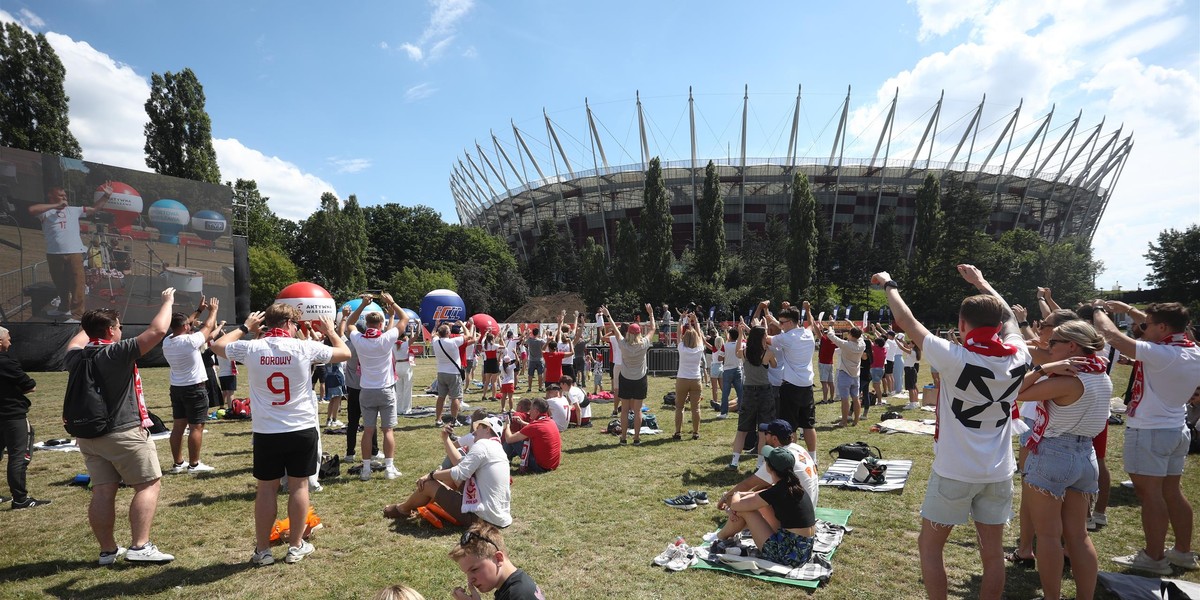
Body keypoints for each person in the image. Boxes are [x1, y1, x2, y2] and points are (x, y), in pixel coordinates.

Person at [877, 264, 1029, 600]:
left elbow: (906, 321)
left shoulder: (952, 357)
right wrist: (982, 282)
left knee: (930, 548)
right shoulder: (1019, 356)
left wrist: (890, 285)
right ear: (1000, 325)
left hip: (954, 472)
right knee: (992, 553)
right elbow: (1012, 321)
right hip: (998, 471)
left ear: (962, 325)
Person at [212, 304, 350, 566]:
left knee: (266, 489)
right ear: (289, 323)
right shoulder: (304, 347)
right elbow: (345, 353)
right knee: (299, 486)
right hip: (300, 427)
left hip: (267, 431)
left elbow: (217, 346)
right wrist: (332, 331)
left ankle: (263, 550)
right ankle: (296, 546)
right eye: (295, 324)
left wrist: (244, 327)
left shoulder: (253, 348)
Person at [65, 288, 177, 565]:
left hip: (89, 435)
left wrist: (91, 320)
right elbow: (158, 330)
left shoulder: (76, 356)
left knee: (103, 490)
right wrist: (167, 301)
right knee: (148, 485)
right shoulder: (117, 352)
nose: (121, 330)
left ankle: (107, 551)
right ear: (111, 330)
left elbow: (79, 339)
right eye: (119, 326)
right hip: (123, 432)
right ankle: (140, 546)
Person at [1092, 300, 1199, 574]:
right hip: (1177, 429)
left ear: (1162, 327)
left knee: (1150, 495)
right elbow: (1166, 327)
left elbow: (1112, 336)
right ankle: (1183, 552)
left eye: (1147, 325)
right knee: (1172, 491)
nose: (1142, 328)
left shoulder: (1160, 354)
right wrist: (1129, 310)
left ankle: (1153, 557)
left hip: (1150, 431)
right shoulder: (1191, 349)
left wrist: (1098, 311)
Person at [1013, 319, 1112, 600]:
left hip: (1053, 454)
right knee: (1078, 536)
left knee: (1047, 537)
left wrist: (1043, 368)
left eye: (1053, 342)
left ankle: (1052, 597)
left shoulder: (1068, 380)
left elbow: (1014, 394)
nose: (1047, 346)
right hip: (1085, 455)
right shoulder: (1101, 375)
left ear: (1072, 345)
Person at [384, 416, 512, 528]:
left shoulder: (483, 445)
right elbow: (460, 464)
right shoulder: (497, 448)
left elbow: (459, 472)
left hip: (483, 519)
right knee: (450, 479)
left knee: (429, 484)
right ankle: (424, 505)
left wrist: (431, 475)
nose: (474, 431)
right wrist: (446, 438)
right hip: (498, 516)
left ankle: (403, 509)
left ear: (487, 429)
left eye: (478, 427)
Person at [709, 446, 816, 568]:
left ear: (769, 467)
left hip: (788, 556)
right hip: (803, 551)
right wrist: (741, 500)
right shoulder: (792, 485)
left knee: (747, 511)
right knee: (755, 505)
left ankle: (719, 538)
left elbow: (735, 504)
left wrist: (736, 495)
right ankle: (725, 535)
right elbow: (759, 495)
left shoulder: (777, 490)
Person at [27, 184, 112, 322]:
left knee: (77, 283)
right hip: (54, 253)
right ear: (51, 196)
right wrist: (55, 206)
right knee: (60, 283)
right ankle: (63, 308)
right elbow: (31, 210)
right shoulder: (45, 212)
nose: (64, 198)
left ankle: (78, 314)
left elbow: (94, 209)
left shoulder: (74, 210)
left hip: (74, 253)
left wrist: (106, 196)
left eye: (65, 196)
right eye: (61, 196)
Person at [347, 293, 409, 481]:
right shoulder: (386, 339)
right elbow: (404, 318)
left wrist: (363, 304)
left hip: (366, 390)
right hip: (386, 389)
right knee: (387, 430)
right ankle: (389, 468)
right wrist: (391, 302)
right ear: (381, 325)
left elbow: (349, 323)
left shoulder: (359, 340)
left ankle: (366, 469)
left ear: (367, 325)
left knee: (368, 430)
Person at [162, 296, 220, 474]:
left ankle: (178, 463)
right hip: (195, 388)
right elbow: (208, 327)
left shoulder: (167, 341)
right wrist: (213, 311)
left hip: (177, 388)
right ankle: (194, 464)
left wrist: (199, 310)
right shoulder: (190, 341)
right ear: (186, 327)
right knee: (196, 427)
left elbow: (186, 323)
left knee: (178, 427)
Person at [714, 419, 818, 511]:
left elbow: (748, 484)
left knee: (744, 510)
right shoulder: (797, 448)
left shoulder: (778, 458)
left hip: (796, 514)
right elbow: (761, 484)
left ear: (774, 438)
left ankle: (723, 532)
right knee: (764, 489)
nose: (764, 435)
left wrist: (726, 498)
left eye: (766, 433)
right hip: (809, 509)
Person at [761, 302, 818, 456]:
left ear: (791, 322)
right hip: (807, 385)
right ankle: (813, 457)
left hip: (791, 386)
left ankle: (792, 456)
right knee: (808, 425)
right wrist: (808, 310)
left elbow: (766, 338)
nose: (780, 325)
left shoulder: (786, 338)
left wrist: (761, 324)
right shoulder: (808, 333)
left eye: (782, 323)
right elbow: (811, 324)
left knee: (790, 427)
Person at [0, 326, 47, 509]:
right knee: (19, 456)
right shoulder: (6, 362)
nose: (10, 342)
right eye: (8, 338)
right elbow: (30, 385)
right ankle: (20, 499)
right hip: (13, 416)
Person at [600, 304, 655, 445]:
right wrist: (651, 314)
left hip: (625, 378)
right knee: (637, 411)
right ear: (639, 333)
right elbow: (653, 328)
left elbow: (615, 329)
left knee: (624, 411)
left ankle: (623, 438)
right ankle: (636, 438)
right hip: (640, 379)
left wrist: (608, 315)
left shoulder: (623, 344)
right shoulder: (643, 344)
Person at [449, 522, 545, 600]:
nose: (470, 580)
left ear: (498, 558)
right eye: (467, 573)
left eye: (474, 570)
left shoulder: (517, 595)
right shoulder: (517, 584)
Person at [729, 320, 776, 470]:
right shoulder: (767, 353)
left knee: (742, 429)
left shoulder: (745, 352)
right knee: (763, 430)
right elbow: (774, 365)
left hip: (748, 391)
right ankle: (759, 464)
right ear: (762, 338)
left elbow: (737, 351)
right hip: (764, 392)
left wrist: (741, 334)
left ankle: (734, 462)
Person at [338, 306, 378, 465]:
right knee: (370, 422)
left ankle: (350, 453)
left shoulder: (349, 345)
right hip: (368, 386)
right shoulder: (371, 344)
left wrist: (344, 317)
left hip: (353, 387)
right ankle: (374, 451)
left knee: (352, 422)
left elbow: (340, 333)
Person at [434, 321, 478, 425]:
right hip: (453, 373)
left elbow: (434, 335)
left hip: (441, 372)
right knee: (455, 397)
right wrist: (463, 325)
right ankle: (454, 420)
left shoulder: (435, 341)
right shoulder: (453, 341)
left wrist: (439, 326)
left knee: (441, 397)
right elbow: (470, 336)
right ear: (448, 333)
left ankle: (438, 420)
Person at [502, 398, 561, 474]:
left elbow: (509, 439)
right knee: (520, 439)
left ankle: (503, 462)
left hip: (541, 467)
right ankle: (506, 460)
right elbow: (536, 428)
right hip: (553, 464)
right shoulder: (550, 421)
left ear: (536, 411)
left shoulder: (534, 426)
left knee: (513, 441)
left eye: (531, 409)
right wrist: (522, 422)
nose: (529, 412)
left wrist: (507, 424)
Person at [825, 323, 866, 428]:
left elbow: (830, 335)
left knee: (844, 399)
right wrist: (852, 325)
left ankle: (843, 422)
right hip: (856, 375)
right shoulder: (862, 344)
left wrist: (830, 325)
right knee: (856, 399)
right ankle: (856, 421)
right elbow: (860, 336)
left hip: (845, 374)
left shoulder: (846, 345)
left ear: (851, 335)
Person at [673, 312, 705, 440]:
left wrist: (681, 320)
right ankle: (695, 432)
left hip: (682, 379)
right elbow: (700, 335)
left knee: (679, 407)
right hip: (696, 379)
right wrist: (695, 321)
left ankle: (678, 432)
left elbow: (678, 334)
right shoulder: (699, 349)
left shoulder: (682, 348)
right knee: (695, 408)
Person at [717, 324, 744, 420]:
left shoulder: (725, 345)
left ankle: (724, 413)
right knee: (740, 392)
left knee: (725, 393)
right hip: (738, 369)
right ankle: (741, 411)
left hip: (727, 370)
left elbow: (720, 358)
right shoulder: (741, 344)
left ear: (730, 336)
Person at [394, 331, 416, 416]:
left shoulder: (393, 344)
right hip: (405, 365)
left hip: (397, 365)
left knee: (399, 390)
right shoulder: (405, 344)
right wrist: (412, 330)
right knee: (407, 388)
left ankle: (399, 408)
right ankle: (406, 409)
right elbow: (413, 337)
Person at [817, 329, 836, 404]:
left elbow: (818, 332)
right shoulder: (833, 342)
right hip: (830, 363)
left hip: (823, 363)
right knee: (831, 382)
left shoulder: (825, 340)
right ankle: (831, 398)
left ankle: (825, 399)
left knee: (824, 382)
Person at [524, 327, 545, 393]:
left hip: (532, 360)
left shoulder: (530, 340)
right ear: (538, 333)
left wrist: (528, 334)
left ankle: (529, 388)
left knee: (530, 374)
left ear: (532, 333)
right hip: (539, 359)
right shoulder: (541, 341)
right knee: (540, 374)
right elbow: (546, 345)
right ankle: (540, 387)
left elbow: (524, 341)